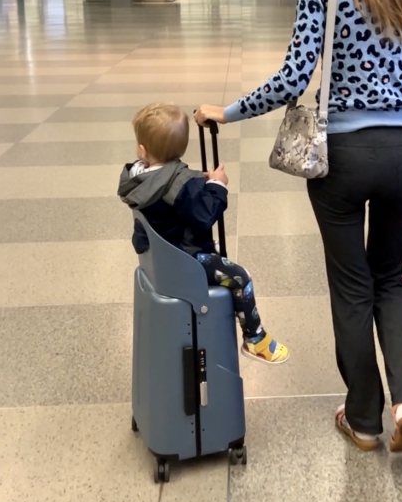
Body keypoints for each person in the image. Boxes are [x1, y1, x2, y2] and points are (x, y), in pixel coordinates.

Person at [195, 0, 402, 451]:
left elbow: (295, 77)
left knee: (351, 287)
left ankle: (363, 420)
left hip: (340, 158)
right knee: (390, 277)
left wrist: (230, 111)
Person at [118, 102, 289, 365]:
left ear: (143, 149)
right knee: (240, 277)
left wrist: (198, 180)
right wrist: (217, 185)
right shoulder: (183, 185)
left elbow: (168, 181)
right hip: (185, 262)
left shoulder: (135, 177)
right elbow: (204, 216)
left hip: (158, 259)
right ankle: (255, 339)